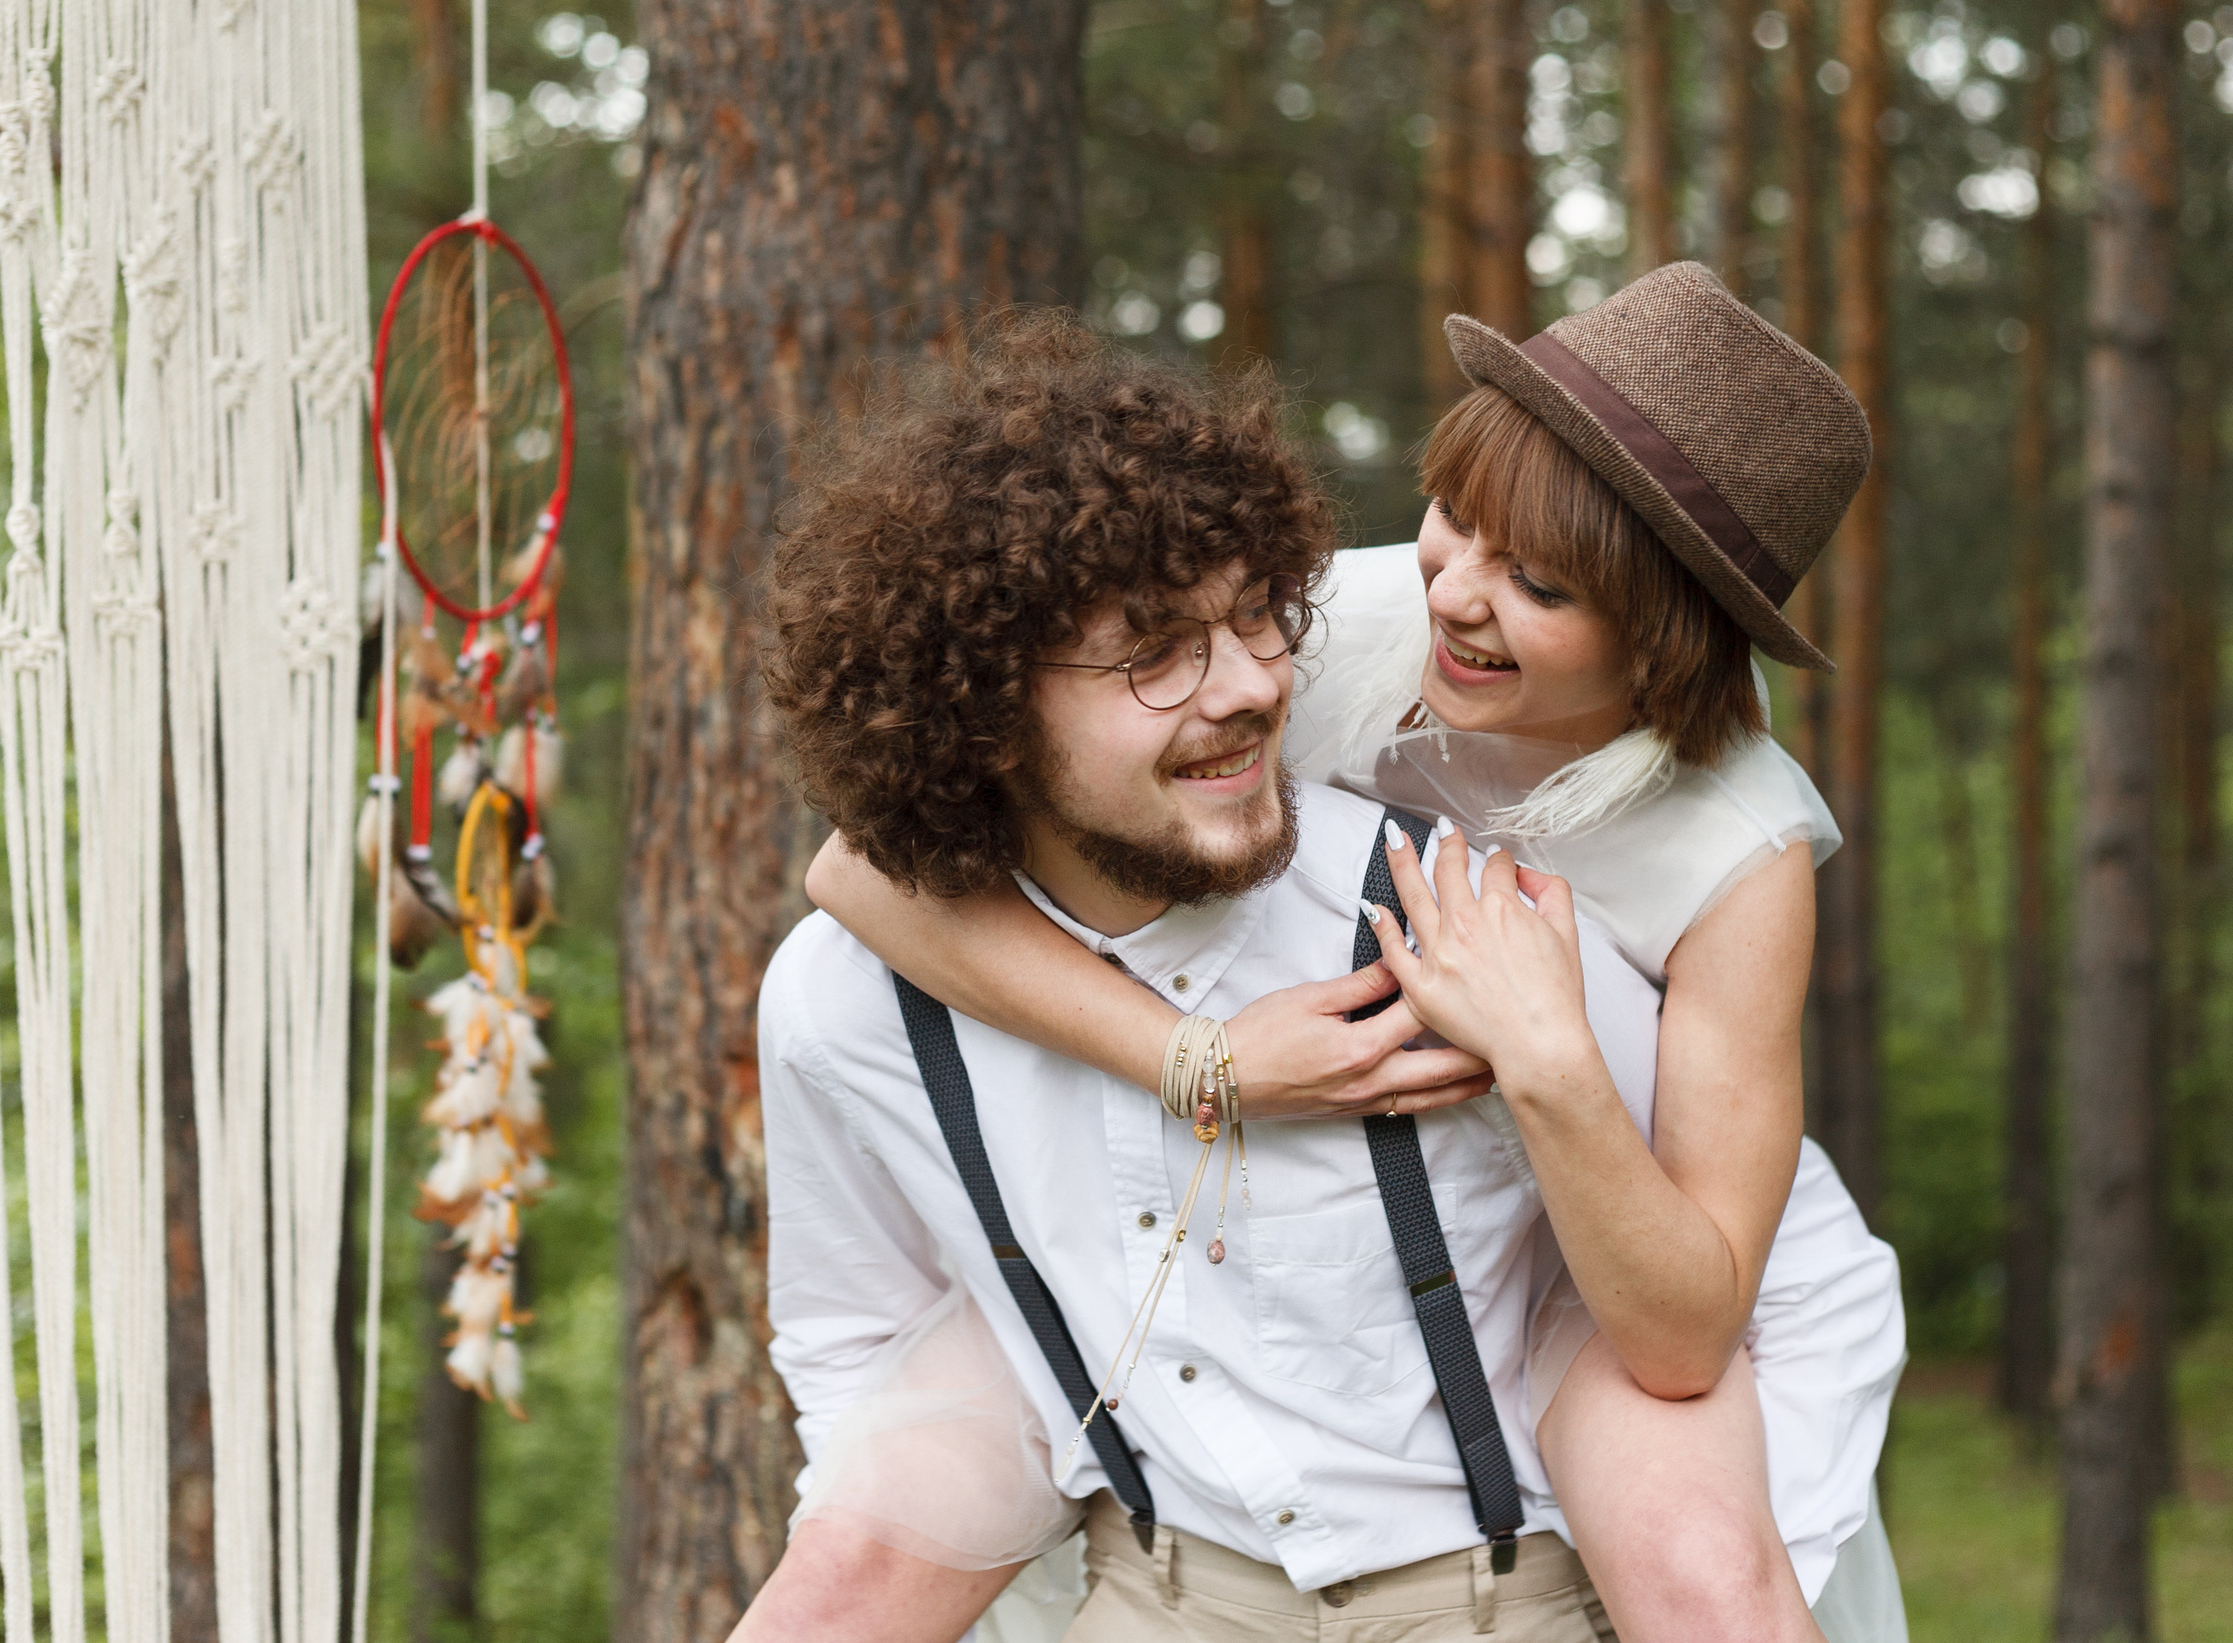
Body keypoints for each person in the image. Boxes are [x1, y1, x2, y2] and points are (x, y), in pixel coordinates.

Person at [804, 263, 1907, 1643]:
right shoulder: (1330, 627)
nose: (1458, 592)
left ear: (1671, 637)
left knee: (1704, 1583)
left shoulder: (1738, 851)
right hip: (1300, 1180)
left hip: (1609, 1219)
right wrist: (1195, 1062)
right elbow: (858, 868)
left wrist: (1548, 1057)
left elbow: (1684, 1327)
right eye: (1457, 519)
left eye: (1542, 584)